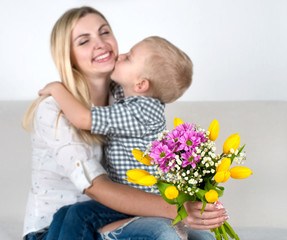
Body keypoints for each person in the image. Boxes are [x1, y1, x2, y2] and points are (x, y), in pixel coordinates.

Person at [22, 6, 228, 240]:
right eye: (83, 41)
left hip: (119, 211)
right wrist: (178, 208)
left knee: (204, 237)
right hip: (56, 228)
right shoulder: (54, 108)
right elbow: (96, 187)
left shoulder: (128, 97)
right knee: (162, 233)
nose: (100, 44)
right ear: (67, 56)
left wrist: (186, 204)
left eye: (104, 32)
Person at [38, 35, 195, 240]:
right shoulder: (128, 96)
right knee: (63, 214)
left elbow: (83, 118)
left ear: (141, 85)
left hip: (137, 202)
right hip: (127, 198)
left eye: (129, 57)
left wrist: (57, 89)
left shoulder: (142, 111)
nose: (120, 56)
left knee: (79, 215)